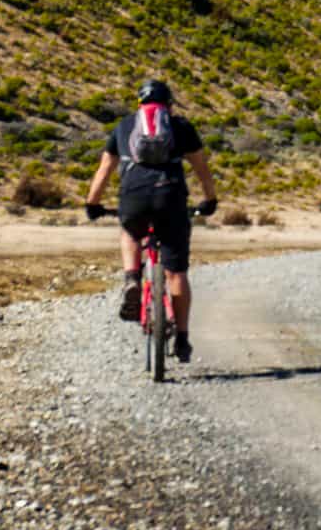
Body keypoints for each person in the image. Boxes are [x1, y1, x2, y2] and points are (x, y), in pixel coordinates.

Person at [83, 80, 219, 363]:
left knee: (130, 231)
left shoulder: (124, 126)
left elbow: (105, 169)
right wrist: (209, 200)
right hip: (170, 195)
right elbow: (201, 168)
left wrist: (92, 203)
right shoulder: (180, 126)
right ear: (169, 104)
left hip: (134, 195)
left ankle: (132, 277)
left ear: (140, 104)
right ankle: (182, 338)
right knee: (176, 273)